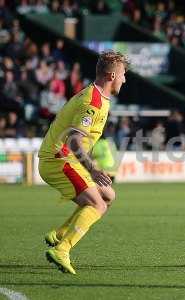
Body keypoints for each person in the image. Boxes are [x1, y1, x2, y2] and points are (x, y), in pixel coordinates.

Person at [38, 51, 128, 274]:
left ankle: (59, 235)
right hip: (59, 160)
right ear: (112, 76)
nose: (125, 80)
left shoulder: (98, 97)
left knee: (108, 196)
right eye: (123, 74)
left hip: (66, 159)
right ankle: (62, 249)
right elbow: (75, 140)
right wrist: (93, 168)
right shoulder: (93, 102)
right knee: (97, 205)